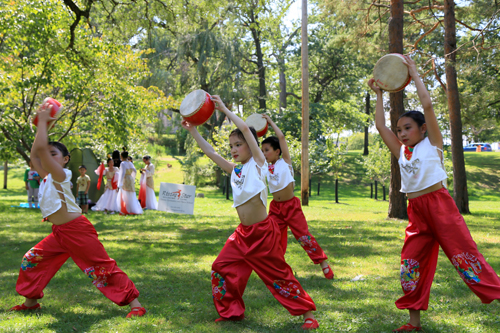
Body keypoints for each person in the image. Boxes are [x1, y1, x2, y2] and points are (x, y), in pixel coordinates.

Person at [368, 55, 500, 332]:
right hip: (417, 211)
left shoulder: (434, 143)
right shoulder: (402, 151)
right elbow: (380, 127)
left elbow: (427, 104)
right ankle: (413, 323)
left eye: (408, 128)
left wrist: (415, 73)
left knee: (465, 258)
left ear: (422, 129)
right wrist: (378, 95)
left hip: (440, 207)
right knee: (410, 265)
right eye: (400, 130)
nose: (402, 134)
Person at [182, 95, 319, 330]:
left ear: (250, 144)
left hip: (263, 235)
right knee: (220, 268)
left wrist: (225, 109)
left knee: (279, 276)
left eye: (239, 144)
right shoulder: (235, 171)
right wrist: (194, 131)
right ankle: (231, 312)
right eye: (232, 146)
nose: (234, 150)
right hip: (242, 235)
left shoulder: (258, 164)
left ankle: (307, 314)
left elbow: (245, 128)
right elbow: (212, 154)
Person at [9, 101, 146, 317]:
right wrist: (40, 128)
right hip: (60, 233)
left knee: (100, 267)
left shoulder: (62, 176)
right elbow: (36, 156)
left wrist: (44, 123)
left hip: (77, 230)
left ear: (65, 160)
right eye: (50, 154)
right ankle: (30, 301)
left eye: (55, 155)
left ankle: (136, 305)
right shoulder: (46, 178)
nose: (49, 157)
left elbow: (42, 154)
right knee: (32, 259)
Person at [261, 115, 333, 280]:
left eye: (267, 150)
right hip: (275, 209)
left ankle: (323, 263)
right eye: (262, 150)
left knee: (303, 236)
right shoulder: (265, 166)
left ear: (277, 151)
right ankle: (279, 270)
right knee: (274, 239)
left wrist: (270, 122)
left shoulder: (285, 162)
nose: (264, 153)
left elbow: (281, 137)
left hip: (291, 206)